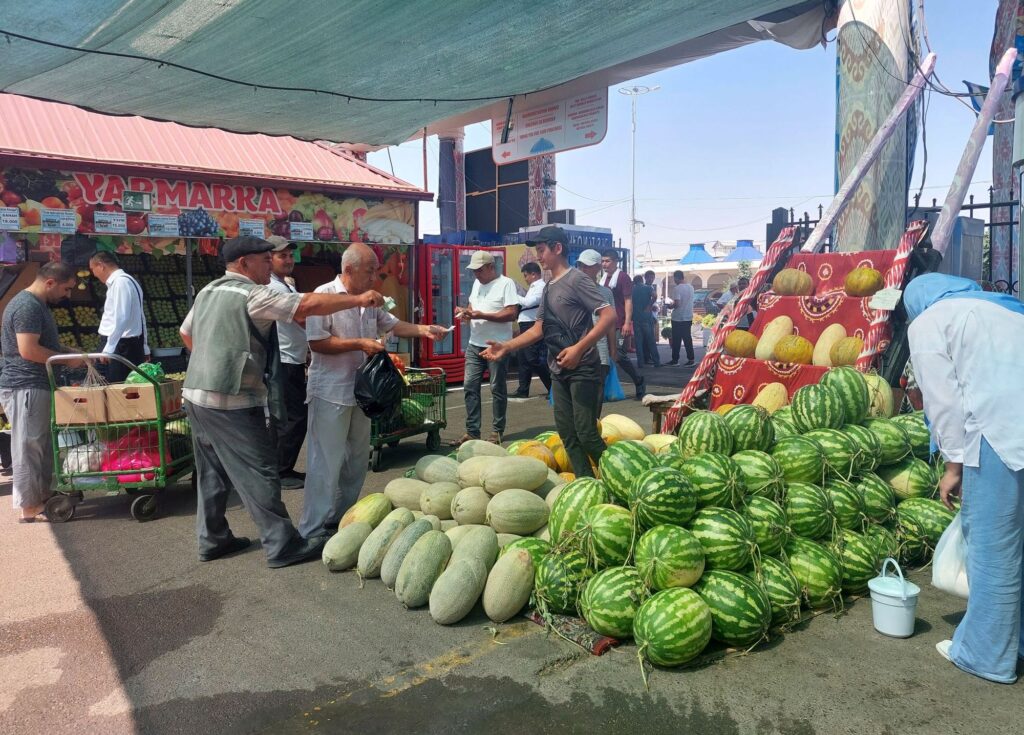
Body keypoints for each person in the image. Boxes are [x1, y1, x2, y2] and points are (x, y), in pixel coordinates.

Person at [179, 235, 383, 568]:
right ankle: (281, 544)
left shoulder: (208, 291)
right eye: (264, 259)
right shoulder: (253, 294)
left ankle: (212, 538)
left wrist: (210, 360)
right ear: (244, 264)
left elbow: (186, 334)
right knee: (260, 470)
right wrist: (357, 299)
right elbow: (307, 306)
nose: (270, 264)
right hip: (231, 398)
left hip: (196, 395)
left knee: (213, 473)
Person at [904, 273, 1024, 685]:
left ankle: (985, 655)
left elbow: (945, 402)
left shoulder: (931, 320)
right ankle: (1017, 638)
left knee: (994, 549)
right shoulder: (1004, 308)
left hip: (1001, 434)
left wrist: (953, 467)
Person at [300, 243, 445, 540]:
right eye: (369, 272)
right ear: (349, 270)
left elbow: (393, 324)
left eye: (376, 271)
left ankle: (341, 518)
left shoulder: (372, 300)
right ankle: (311, 529)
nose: (374, 277)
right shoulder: (323, 295)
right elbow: (317, 343)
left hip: (363, 393)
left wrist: (425, 329)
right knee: (325, 462)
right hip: (330, 390)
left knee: (355, 460)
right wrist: (360, 344)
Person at [483, 228, 613, 476]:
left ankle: (620, 480)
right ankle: (586, 483)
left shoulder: (577, 280)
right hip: (558, 369)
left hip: (583, 367)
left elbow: (609, 316)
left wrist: (578, 348)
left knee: (586, 433)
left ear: (557, 248)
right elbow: (539, 328)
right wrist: (507, 346)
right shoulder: (548, 286)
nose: (538, 256)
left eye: (541, 250)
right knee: (568, 435)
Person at [0, 262, 80, 522]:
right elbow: (28, 350)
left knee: (41, 444)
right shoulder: (27, 306)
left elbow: (44, 345)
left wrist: (72, 353)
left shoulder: (37, 306)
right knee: (28, 446)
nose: (67, 295)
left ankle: (41, 495)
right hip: (25, 385)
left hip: (35, 384)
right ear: (50, 282)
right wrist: (65, 360)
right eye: (66, 289)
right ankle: (30, 505)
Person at [454, 250, 519, 445]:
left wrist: (481, 315)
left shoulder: (506, 284)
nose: (476, 274)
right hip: (475, 343)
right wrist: (466, 312)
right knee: (470, 387)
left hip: (497, 346)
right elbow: (473, 306)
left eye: (479, 270)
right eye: (474, 271)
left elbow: (511, 313)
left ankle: (497, 431)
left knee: (497, 388)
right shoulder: (477, 283)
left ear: (491, 267)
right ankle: (472, 431)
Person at [264, 236, 308, 490]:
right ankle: (281, 471)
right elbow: (302, 317)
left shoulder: (285, 285)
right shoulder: (276, 288)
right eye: (283, 256)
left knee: (290, 416)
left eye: (291, 255)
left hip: (293, 357)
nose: (289, 260)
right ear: (270, 259)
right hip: (284, 360)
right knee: (293, 417)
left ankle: (283, 468)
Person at [88, 251, 149, 382]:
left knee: (116, 387)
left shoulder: (121, 283)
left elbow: (121, 317)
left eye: (93, 269)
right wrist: (144, 345)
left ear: (101, 265)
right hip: (124, 343)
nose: (94, 273)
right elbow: (140, 316)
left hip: (120, 345)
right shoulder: (126, 281)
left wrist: (110, 347)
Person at [599, 249, 645, 399]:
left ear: (615, 261)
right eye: (603, 261)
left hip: (619, 323)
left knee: (618, 354)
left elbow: (628, 301)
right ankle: (603, 390)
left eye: (607, 261)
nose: (604, 264)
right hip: (605, 322)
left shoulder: (623, 278)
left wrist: (627, 323)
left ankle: (638, 381)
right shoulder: (603, 278)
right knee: (603, 356)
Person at [575, 249, 617, 413]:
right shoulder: (572, 290)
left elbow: (611, 323)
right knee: (579, 395)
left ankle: (594, 430)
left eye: (588, 266)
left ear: (598, 267)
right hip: (577, 350)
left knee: (597, 395)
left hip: (600, 351)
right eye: (581, 265)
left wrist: (613, 349)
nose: (583, 269)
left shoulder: (606, 292)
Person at [511, 261, 551, 398]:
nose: (525, 279)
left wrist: (512, 296)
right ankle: (523, 389)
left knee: (532, 358)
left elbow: (529, 303)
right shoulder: (534, 287)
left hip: (532, 325)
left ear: (534, 274)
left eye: (526, 276)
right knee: (523, 359)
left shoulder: (540, 287)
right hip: (526, 324)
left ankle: (553, 387)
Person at [631, 270, 660, 368]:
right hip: (646, 318)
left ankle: (640, 363)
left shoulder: (632, 290)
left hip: (636, 318)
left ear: (634, 282)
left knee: (638, 341)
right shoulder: (648, 288)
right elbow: (655, 296)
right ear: (642, 280)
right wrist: (649, 305)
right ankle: (657, 362)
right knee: (651, 340)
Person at [667, 270, 695, 366]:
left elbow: (677, 304)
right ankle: (691, 359)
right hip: (688, 317)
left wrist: (670, 306)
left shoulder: (677, 288)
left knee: (676, 340)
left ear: (676, 278)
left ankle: (675, 360)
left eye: (674, 278)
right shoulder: (691, 287)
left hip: (678, 318)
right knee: (687, 339)